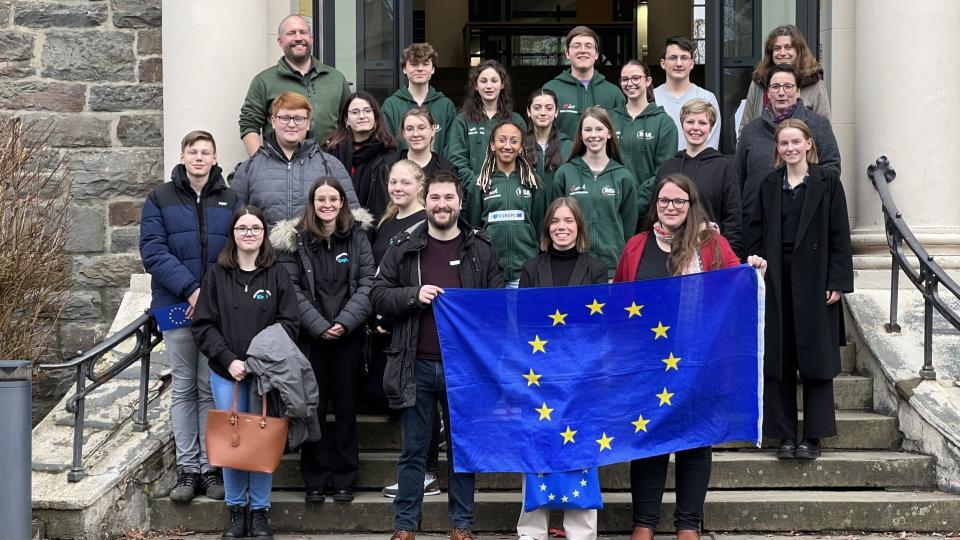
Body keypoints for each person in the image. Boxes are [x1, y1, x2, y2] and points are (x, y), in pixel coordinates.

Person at [613, 174, 764, 540]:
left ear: (690, 205)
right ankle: (644, 524)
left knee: (696, 442)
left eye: (679, 202)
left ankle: (688, 526)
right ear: (656, 205)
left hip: (698, 361)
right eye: (664, 201)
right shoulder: (636, 245)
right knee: (647, 440)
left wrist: (752, 268)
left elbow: (733, 280)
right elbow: (618, 298)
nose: (671, 207)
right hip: (648, 364)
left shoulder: (710, 244)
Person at [371, 170, 505, 540]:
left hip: (464, 368)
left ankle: (461, 525)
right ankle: (405, 525)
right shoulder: (403, 245)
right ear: (425, 201)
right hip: (415, 363)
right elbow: (378, 294)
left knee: (462, 451)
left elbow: (496, 306)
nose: (441, 205)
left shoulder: (480, 247)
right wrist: (414, 295)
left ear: (460, 203)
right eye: (435, 198)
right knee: (414, 451)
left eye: (449, 198)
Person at [140, 130, 240, 504]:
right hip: (175, 303)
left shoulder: (231, 199)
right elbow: (153, 250)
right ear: (182, 156)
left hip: (218, 308)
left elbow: (238, 248)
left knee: (209, 387)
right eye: (192, 152)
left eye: (206, 152)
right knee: (183, 387)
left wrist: (209, 293)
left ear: (215, 159)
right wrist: (190, 289)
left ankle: (212, 469)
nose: (199, 158)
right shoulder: (159, 198)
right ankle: (188, 470)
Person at [745, 119, 853, 461]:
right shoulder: (769, 184)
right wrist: (756, 262)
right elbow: (756, 231)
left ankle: (814, 436)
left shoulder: (827, 183)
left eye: (796, 142)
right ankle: (785, 435)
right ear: (777, 149)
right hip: (777, 275)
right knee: (779, 355)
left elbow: (840, 234)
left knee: (816, 357)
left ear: (808, 144)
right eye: (784, 143)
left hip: (816, 277)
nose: (790, 148)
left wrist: (837, 281)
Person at [191, 205, 300, 539]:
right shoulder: (217, 275)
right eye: (242, 228)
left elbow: (290, 322)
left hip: (265, 375)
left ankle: (260, 511)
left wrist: (258, 360)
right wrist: (228, 359)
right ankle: (237, 510)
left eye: (255, 228)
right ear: (233, 234)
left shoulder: (277, 274)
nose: (249, 233)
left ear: (264, 234)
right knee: (234, 443)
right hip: (228, 374)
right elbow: (203, 325)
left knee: (263, 443)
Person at [271, 177, 376, 503]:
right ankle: (314, 478)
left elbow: (368, 283)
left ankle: (345, 476)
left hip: (349, 337)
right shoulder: (296, 241)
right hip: (312, 339)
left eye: (333, 199)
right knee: (312, 410)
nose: (327, 205)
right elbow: (292, 289)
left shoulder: (357, 238)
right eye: (321, 200)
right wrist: (319, 325)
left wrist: (345, 322)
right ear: (312, 204)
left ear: (342, 202)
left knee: (345, 409)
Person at [515, 197, 606, 540]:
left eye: (568, 221)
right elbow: (524, 323)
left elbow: (600, 324)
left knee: (581, 450)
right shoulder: (531, 267)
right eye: (555, 221)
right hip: (539, 375)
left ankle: (580, 531)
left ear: (579, 227)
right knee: (535, 449)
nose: (561, 227)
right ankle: (532, 530)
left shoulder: (596, 268)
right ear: (547, 228)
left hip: (581, 377)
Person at [368, 160, 443, 500]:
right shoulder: (386, 223)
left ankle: (427, 472)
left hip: (419, 323)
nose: (398, 188)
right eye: (393, 182)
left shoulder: (426, 223)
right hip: (393, 318)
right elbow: (382, 277)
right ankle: (417, 472)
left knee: (419, 401)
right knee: (406, 399)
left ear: (420, 185)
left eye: (405, 182)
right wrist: (382, 313)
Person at [231, 91, 359, 228]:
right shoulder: (249, 168)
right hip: (267, 248)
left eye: (299, 118)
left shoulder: (331, 166)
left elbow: (351, 217)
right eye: (285, 118)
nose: (291, 124)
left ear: (308, 123)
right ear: (273, 121)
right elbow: (234, 220)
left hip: (318, 248)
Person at [736, 63, 840, 227]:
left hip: (805, 222)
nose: (781, 92)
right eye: (775, 86)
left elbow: (832, 168)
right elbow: (738, 179)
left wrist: (804, 195)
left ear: (798, 91)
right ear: (768, 92)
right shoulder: (751, 131)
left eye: (788, 86)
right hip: (757, 225)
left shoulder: (818, 125)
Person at [239, 14, 350, 155]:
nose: (298, 38)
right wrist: (261, 165)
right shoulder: (264, 81)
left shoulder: (336, 78)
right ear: (280, 41)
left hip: (329, 165)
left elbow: (348, 122)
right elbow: (249, 124)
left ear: (311, 39)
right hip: (281, 168)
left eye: (303, 32)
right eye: (291, 33)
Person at [551, 107, 638, 279]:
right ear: (581, 135)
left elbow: (629, 228)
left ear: (609, 134)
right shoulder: (565, 173)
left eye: (599, 129)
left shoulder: (623, 177)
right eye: (588, 130)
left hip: (612, 267)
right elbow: (554, 221)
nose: (593, 135)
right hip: (574, 265)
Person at [657, 98, 743, 257]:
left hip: (709, 253)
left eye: (702, 123)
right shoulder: (667, 167)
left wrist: (729, 258)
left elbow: (733, 219)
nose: (695, 128)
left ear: (710, 127)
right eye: (690, 121)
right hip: (669, 252)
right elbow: (655, 214)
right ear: (682, 124)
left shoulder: (724, 168)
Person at [464, 121, 544, 287]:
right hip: (491, 271)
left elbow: (539, 225)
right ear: (493, 145)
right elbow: (473, 228)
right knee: (494, 314)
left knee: (522, 314)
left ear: (521, 147)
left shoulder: (533, 182)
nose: (507, 146)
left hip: (524, 270)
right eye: (502, 140)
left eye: (514, 141)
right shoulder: (480, 183)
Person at [612, 60, 678, 224]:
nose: (630, 84)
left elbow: (664, 171)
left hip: (649, 212)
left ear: (648, 81)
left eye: (636, 78)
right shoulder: (609, 119)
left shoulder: (664, 122)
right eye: (625, 79)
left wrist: (635, 205)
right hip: (612, 209)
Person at [447, 59, 526, 187]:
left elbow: (523, 158)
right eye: (483, 81)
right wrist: (476, 184)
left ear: (502, 85)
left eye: (494, 81)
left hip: (507, 192)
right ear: (475, 86)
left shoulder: (516, 120)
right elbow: (457, 159)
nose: (489, 86)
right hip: (472, 192)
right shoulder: (462, 120)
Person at [368, 107, 458, 219]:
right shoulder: (387, 165)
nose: (415, 134)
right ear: (403, 133)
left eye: (421, 128)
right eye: (409, 129)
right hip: (392, 229)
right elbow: (379, 209)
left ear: (433, 129)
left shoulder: (446, 169)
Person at [739, 25, 830, 133]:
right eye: (777, 48)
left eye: (788, 47)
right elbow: (745, 127)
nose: (782, 53)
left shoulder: (814, 84)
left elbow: (825, 131)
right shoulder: (759, 82)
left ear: (798, 51)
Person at [543, 25, 626, 139]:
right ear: (567, 53)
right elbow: (541, 133)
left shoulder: (613, 93)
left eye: (588, 46)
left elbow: (622, 134)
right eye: (576, 46)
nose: (583, 50)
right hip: (561, 156)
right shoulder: (551, 90)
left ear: (596, 54)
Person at [323, 91, 397, 211]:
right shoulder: (330, 153)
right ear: (346, 120)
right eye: (355, 112)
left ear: (376, 117)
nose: (362, 116)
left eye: (367, 111)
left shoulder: (388, 153)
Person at [382, 42, 458, 153]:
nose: (420, 69)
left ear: (433, 69)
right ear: (404, 69)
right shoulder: (391, 105)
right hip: (401, 169)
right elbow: (386, 146)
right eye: (414, 64)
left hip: (439, 170)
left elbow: (451, 147)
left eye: (425, 64)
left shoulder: (446, 105)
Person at [653, 36, 721, 151]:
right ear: (663, 63)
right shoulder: (651, 98)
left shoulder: (706, 98)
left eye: (684, 58)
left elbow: (710, 145)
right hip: (661, 168)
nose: (679, 63)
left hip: (698, 167)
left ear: (692, 63)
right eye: (673, 58)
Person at [523, 88, 573, 195]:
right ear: (528, 111)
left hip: (559, 209)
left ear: (556, 112)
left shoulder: (568, 146)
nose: (543, 113)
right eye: (537, 108)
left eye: (549, 108)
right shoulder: (519, 145)